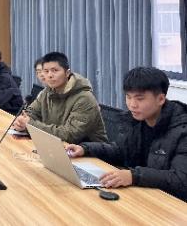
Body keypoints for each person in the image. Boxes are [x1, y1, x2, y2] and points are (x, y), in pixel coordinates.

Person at [66, 67, 187, 201]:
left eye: (140, 99)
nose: (132, 105)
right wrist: (85, 149)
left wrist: (134, 176)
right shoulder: (136, 121)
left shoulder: (182, 130)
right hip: (144, 194)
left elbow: (181, 180)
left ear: (160, 99)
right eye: (128, 97)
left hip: (173, 204)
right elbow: (121, 151)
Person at [13, 51, 107, 143]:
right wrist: (22, 122)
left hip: (87, 150)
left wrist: (30, 124)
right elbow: (31, 112)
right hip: (56, 145)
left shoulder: (84, 98)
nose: (49, 75)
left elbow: (69, 135)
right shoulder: (47, 92)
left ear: (67, 73)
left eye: (55, 70)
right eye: (46, 71)